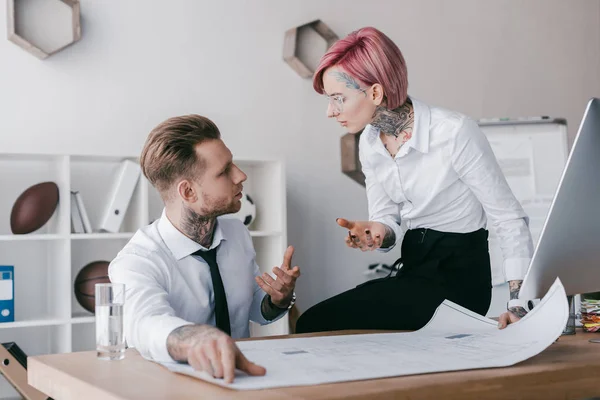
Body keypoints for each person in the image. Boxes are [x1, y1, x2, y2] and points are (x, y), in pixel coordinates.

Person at [295, 27, 530, 334]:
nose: (330, 111)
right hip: (416, 272)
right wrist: (375, 232)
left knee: (315, 323)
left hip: (458, 282)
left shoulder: (454, 132)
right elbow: (387, 221)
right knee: (328, 328)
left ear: (376, 93)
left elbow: (508, 218)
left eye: (338, 99)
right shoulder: (369, 142)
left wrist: (517, 303)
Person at [109, 115, 300, 383]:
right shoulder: (137, 261)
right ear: (188, 192)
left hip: (241, 380)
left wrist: (278, 300)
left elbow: (254, 309)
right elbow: (144, 323)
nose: (241, 175)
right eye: (224, 171)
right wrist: (196, 338)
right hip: (174, 389)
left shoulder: (237, 233)